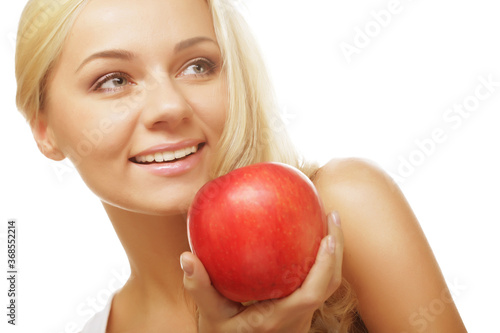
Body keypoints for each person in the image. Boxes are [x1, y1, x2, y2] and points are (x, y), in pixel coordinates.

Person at [15, 0, 467, 332]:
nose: (170, 106)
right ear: (44, 129)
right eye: (113, 80)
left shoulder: (341, 213)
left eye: (197, 66)